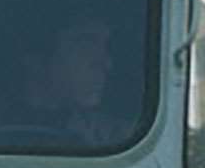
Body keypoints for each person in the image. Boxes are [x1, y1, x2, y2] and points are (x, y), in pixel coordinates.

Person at [14, 17, 124, 147]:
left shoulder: (118, 140)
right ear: (35, 59)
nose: (106, 63)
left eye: (105, 45)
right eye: (86, 43)